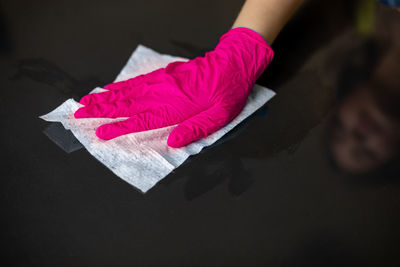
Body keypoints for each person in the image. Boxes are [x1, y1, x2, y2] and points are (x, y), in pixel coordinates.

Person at [74, 0, 399, 174]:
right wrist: (240, 51)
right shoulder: (362, 19)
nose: (356, 133)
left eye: (340, 131)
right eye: (365, 149)